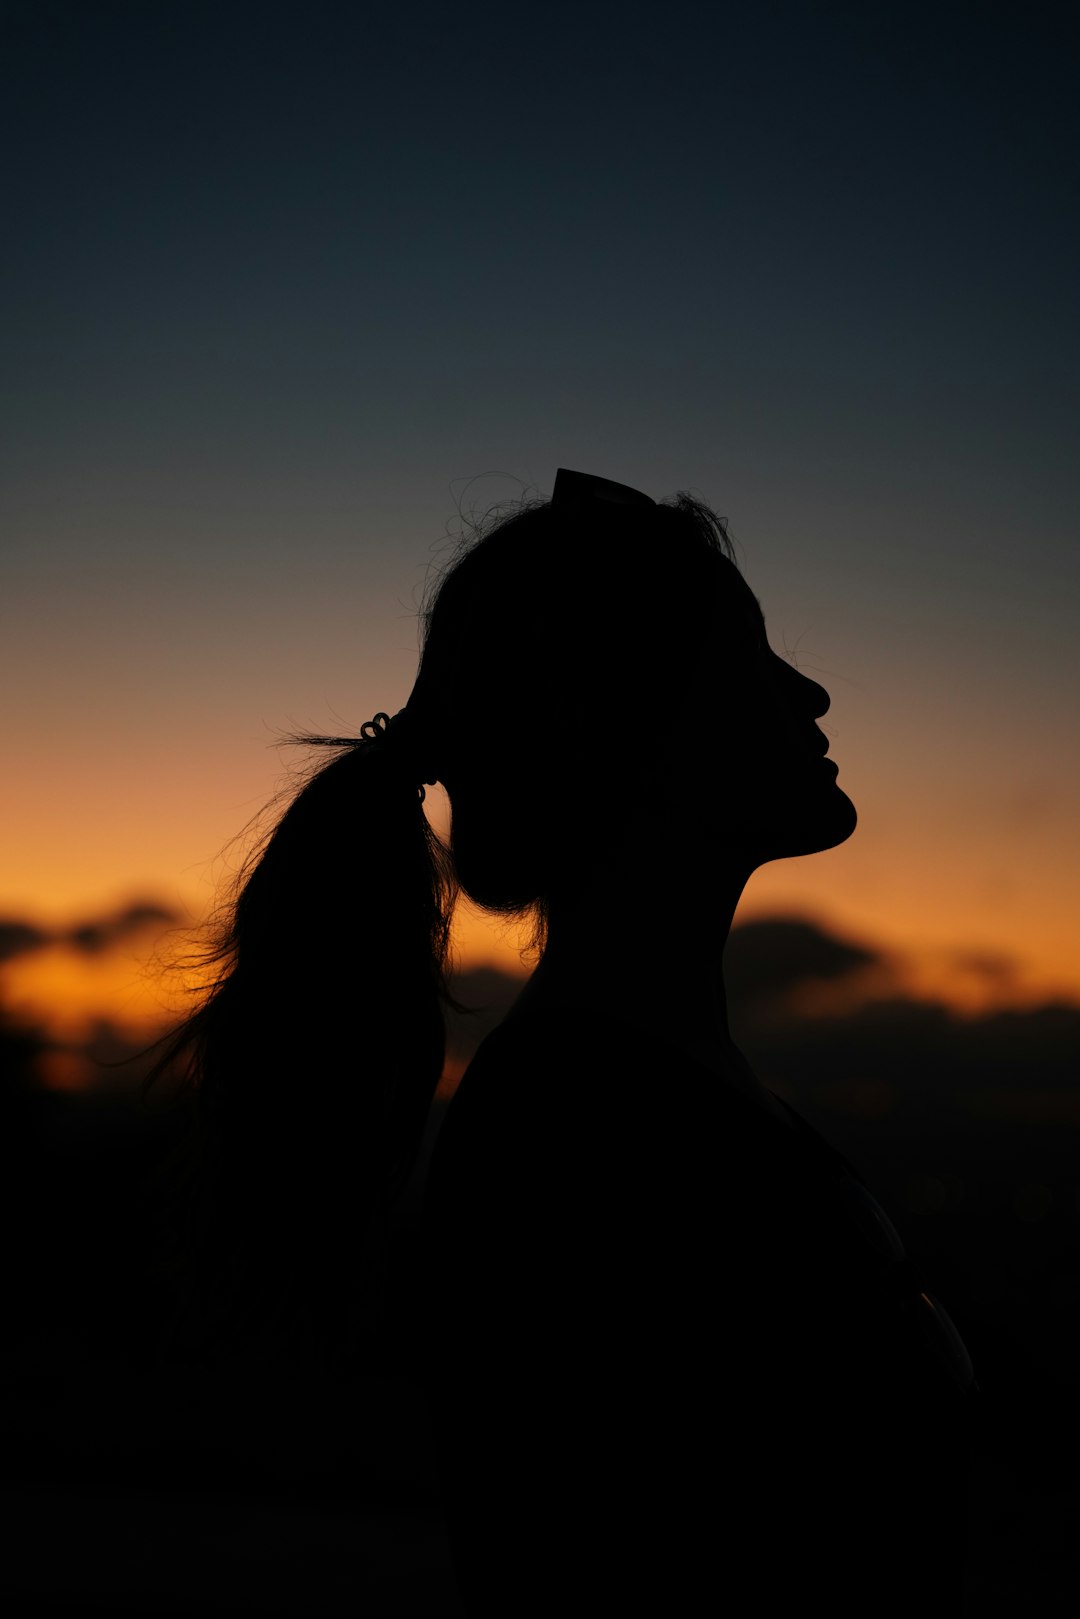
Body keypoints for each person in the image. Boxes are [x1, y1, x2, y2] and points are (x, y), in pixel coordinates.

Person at [151, 469, 976, 1610]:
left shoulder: (632, 1094)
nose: (814, 690)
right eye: (751, 655)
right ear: (628, 733)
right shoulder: (587, 1146)